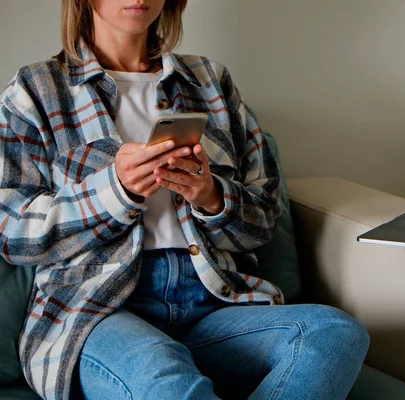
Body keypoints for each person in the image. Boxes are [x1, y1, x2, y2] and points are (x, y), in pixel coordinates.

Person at [0, 0, 370, 399]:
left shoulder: (211, 81)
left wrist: (212, 197)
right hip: (97, 311)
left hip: (213, 302)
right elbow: (13, 234)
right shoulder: (36, 91)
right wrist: (115, 191)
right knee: (167, 379)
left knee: (333, 334)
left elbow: (265, 218)